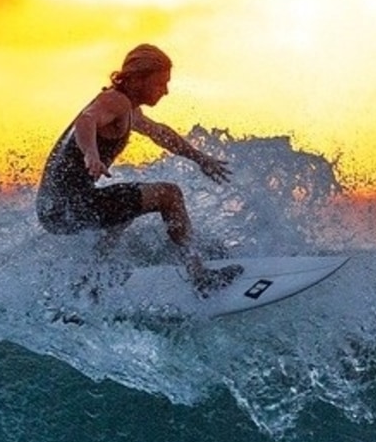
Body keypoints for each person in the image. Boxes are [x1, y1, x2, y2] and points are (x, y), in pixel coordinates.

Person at [36, 43, 241, 293]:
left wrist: (200, 158)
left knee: (127, 208)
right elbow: (86, 120)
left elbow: (160, 133)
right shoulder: (114, 101)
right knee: (169, 195)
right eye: (159, 83)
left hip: (56, 209)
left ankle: (88, 283)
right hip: (68, 206)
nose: (165, 91)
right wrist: (90, 153)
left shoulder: (128, 109)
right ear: (136, 79)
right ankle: (199, 275)